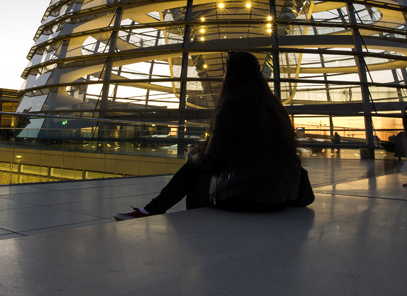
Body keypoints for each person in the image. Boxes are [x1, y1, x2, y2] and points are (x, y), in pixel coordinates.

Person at [115, 51, 313, 220]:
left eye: (226, 71)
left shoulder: (231, 104)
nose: (223, 75)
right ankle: (151, 210)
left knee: (194, 172)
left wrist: (191, 154)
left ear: (232, 75)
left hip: (254, 197)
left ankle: (152, 211)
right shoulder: (274, 106)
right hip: (284, 194)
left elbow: (208, 161)